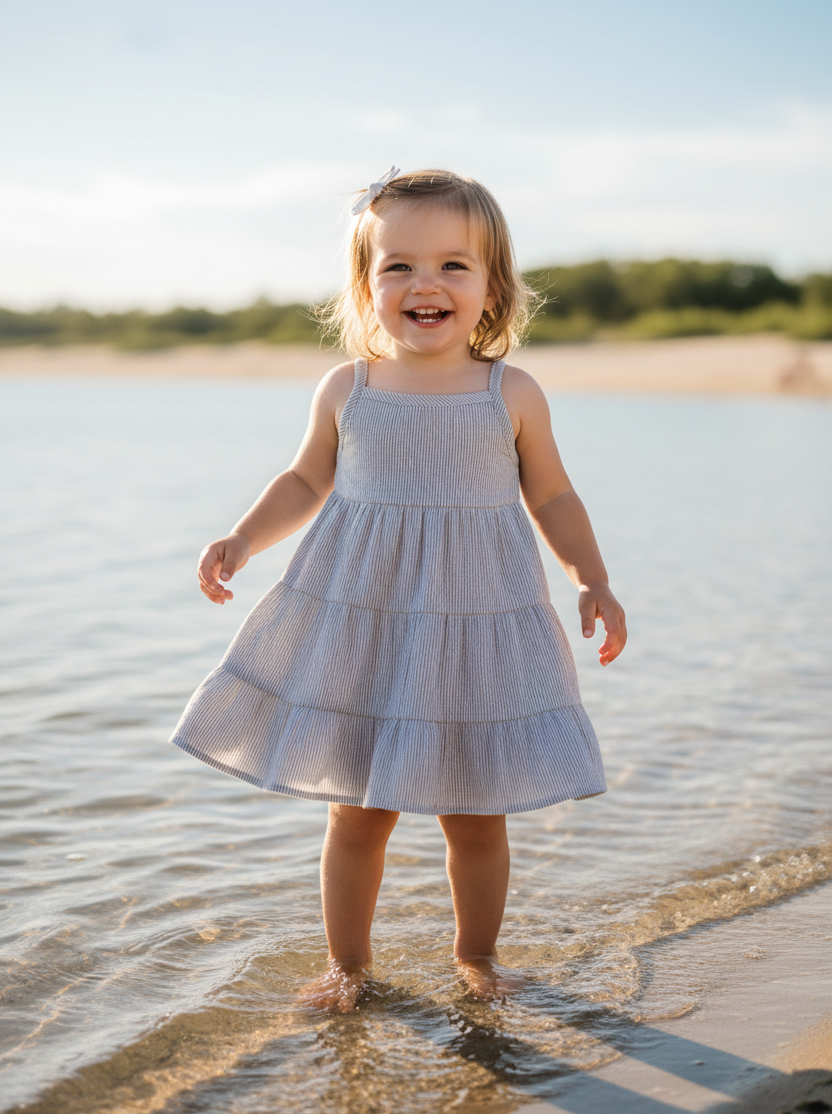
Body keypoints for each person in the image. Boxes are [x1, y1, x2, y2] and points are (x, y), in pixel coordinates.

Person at [170, 168, 626, 1012]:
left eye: (455, 265)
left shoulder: (510, 392)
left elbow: (553, 495)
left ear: (493, 287)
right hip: (368, 624)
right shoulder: (350, 388)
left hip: (471, 625)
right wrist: (242, 538)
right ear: (365, 286)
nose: (427, 284)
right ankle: (349, 967)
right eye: (399, 266)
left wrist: (591, 579)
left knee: (476, 814)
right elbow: (306, 480)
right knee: (357, 811)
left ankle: (478, 960)